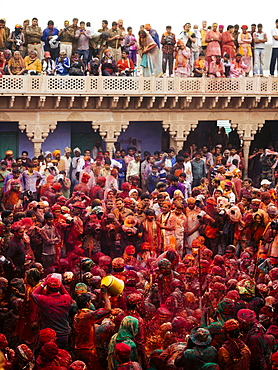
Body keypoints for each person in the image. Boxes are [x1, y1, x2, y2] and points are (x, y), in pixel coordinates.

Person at [32, 274, 72, 349]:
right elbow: (66, 293)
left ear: (48, 287)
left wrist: (44, 283)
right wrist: (59, 284)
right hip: (64, 334)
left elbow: (34, 293)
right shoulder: (67, 299)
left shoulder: (44, 300)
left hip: (48, 335)